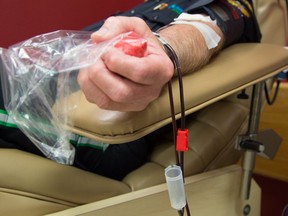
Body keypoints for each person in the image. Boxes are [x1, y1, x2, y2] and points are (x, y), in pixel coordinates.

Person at [0, 0, 261, 180]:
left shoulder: (229, 7)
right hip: (44, 88)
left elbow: (205, 27)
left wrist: (162, 48)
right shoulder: (147, 7)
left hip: (106, 131)